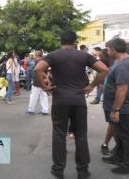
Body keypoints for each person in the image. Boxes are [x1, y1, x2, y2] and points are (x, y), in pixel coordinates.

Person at [35, 31, 108, 179]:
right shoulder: (83, 55)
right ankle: (82, 171)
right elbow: (103, 69)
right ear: (75, 41)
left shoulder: (54, 55)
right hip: (78, 100)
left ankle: (58, 169)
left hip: (60, 100)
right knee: (81, 135)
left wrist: (44, 86)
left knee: (59, 134)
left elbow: (38, 69)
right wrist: (92, 86)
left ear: (60, 41)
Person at [102, 38, 129, 175]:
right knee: (119, 134)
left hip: (122, 108)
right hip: (119, 107)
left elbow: (122, 89)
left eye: (108, 49)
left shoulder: (123, 65)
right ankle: (118, 156)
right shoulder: (123, 62)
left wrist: (116, 110)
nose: (107, 51)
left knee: (126, 136)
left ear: (114, 50)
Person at [98, 48, 115, 155]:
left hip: (115, 100)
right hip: (110, 101)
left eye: (101, 57)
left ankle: (107, 145)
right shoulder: (103, 69)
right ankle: (106, 144)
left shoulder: (114, 67)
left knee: (115, 125)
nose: (99, 59)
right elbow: (100, 85)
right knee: (113, 125)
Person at [26, 51, 49, 115]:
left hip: (38, 79)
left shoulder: (38, 60)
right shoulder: (44, 60)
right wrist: (47, 78)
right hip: (43, 80)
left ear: (37, 55)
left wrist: (46, 77)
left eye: (34, 54)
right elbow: (47, 70)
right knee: (43, 95)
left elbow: (39, 70)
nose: (33, 55)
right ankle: (45, 110)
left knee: (33, 95)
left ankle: (31, 109)